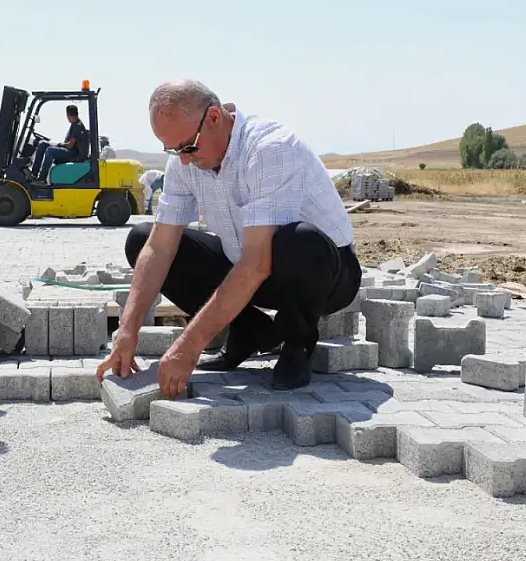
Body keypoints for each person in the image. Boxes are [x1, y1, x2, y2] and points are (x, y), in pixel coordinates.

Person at [96, 79, 361, 397]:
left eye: (187, 147)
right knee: (140, 241)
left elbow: (257, 263)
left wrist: (188, 347)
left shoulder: (270, 148)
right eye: (173, 150)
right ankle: (250, 331)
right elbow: (160, 246)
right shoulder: (185, 160)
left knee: (296, 241)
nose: (182, 159)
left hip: (324, 274)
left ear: (214, 118)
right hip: (252, 267)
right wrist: (127, 330)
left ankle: (298, 343)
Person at [30, 104, 88, 181]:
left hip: (72, 153)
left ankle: (42, 178)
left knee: (50, 150)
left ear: (68, 114)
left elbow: (70, 145)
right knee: (42, 144)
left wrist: (60, 145)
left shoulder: (77, 126)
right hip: (70, 150)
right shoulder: (75, 124)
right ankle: (34, 174)